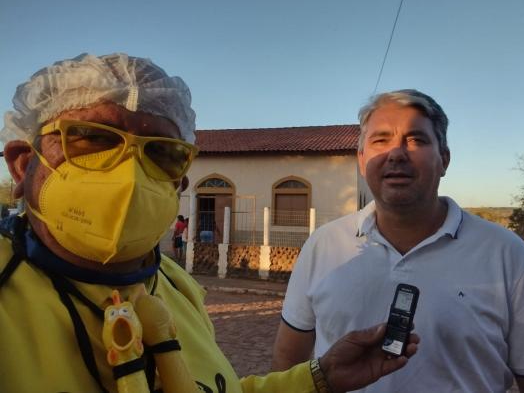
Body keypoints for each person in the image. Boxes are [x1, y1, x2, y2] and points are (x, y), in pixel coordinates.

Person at [0, 54, 419, 393]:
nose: (128, 173)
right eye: (92, 138)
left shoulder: (177, 287)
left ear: (179, 181)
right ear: (23, 165)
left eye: (161, 152)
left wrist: (318, 376)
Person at [272, 90, 524, 393]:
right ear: (362, 161)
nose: (397, 153)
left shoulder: (507, 254)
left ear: (444, 159)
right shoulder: (324, 245)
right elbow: (288, 359)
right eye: (381, 140)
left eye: (416, 140)